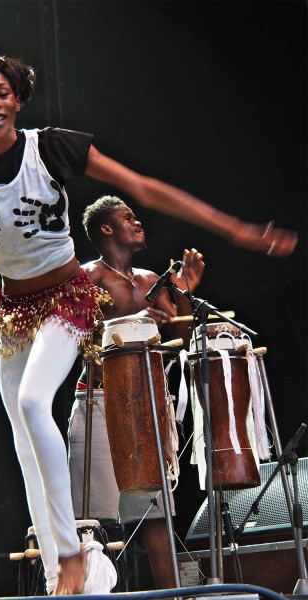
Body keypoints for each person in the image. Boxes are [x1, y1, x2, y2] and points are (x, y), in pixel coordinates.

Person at [0, 52, 298, 595]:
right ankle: (58, 575)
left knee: (31, 402)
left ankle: (71, 552)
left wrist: (233, 228)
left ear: (16, 99)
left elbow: (142, 186)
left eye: (1, 93)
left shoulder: (52, 147)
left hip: (66, 297)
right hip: (14, 312)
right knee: (23, 443)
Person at [68, 195, 205, 589]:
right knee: (95, 524)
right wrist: (133, 319)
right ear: (106, 229)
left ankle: (170, 596)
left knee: (156, 516)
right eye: (128, 218)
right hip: (97, 403)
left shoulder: (149, 281)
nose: (138, 222)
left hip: (146, 405)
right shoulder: (86, 278)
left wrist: (183, 293)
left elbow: (174, 335)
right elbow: (80, 341)